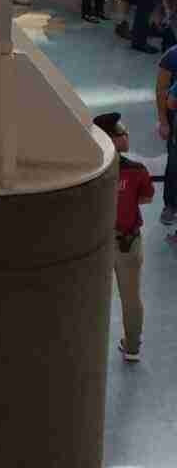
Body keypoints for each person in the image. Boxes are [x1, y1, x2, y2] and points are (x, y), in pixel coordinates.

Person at [95, 112, 153, 363]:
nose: (126, 134)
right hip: (129, 242)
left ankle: (91, 348)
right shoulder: (137, 171)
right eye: (120, 132)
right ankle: (132, 347)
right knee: (131, 297)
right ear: (111, 139)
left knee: (94, 297)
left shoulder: (93, 175)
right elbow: (147, 197)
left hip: (98, 245)